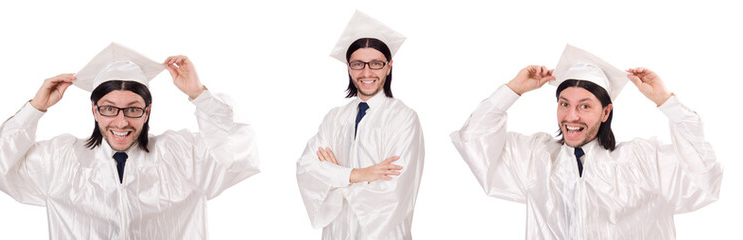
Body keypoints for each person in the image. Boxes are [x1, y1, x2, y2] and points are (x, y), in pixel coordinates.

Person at [0, 42, 259, 239]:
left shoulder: (180, 155)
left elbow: (238, 154)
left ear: (147, 111)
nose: (120, 121)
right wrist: (35, 109)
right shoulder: (61, 159)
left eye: (133, 109)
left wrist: (199, 94)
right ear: (94, 110)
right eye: (108, 109)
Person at [450, 44, 723, 239]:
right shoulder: (537, 159)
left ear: (606, 112)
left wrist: (666, 100)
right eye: (564, 103)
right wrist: (513, 89)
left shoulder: (641, 162)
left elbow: (702, 173)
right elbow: (474, 139)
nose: (571, 116)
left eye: (585, 106)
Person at [295, 10, 424, 239]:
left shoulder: (403, 118)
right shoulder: (334, 118)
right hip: (337, 232)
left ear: (389, 66)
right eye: (358, 64)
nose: (366, 72)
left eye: (375, 63)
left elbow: (394, 190)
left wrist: (335, 176)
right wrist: (359, 174)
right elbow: (307, 168)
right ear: (348, 67)